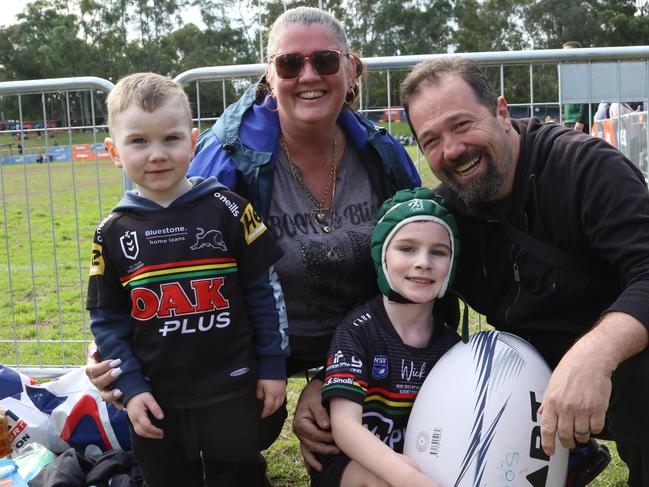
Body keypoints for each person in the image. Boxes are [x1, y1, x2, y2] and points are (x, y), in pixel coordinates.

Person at [85, 5, 420, 478]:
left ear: (349, 67)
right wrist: (111, 351)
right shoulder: (222, 162)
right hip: (254, 348)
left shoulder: (381, 155)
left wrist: (333, 378)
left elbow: (420, 272)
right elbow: (150, 273)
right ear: (269, 72)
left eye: (324, 61)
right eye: (289, 63)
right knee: (238, 427)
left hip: (365, 344)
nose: (308, 75)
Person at [398, 57, 649, 486]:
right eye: (431, 140)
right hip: (524, 377)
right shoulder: (443, 219)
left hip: (621, 365)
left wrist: (594, 356)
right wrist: (326, 386)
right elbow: (387, 294)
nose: (453, 150)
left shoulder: (583, 166)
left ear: (501, 111)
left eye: (462, 125)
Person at [86, 72, 289, 487]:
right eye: (139, 141)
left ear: (193, 141)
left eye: (171, 139)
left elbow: (265, 295)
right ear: (113, 152)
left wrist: (272, 365)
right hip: (157, 397)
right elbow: (107, 321)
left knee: (240, 475)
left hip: (233, 389)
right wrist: (131, 385)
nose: (157, 154)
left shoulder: (230, 210)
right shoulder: (111, 233)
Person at [314, 188, 461, 487]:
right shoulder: (358, 330)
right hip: (352, 462)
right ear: (381, 255)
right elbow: (345, 427)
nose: (424, 262)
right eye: (407, 249)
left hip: (421, 464)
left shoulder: (452, 347)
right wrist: (405, 475)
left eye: (438, 251)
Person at [561, 41, 594, 134]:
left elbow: (586, 99)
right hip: (569, 121)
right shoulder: (569, 74)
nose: (565, 57)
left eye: (568, 54)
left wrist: (581, 121)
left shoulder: (584, 73)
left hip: (578, 122)